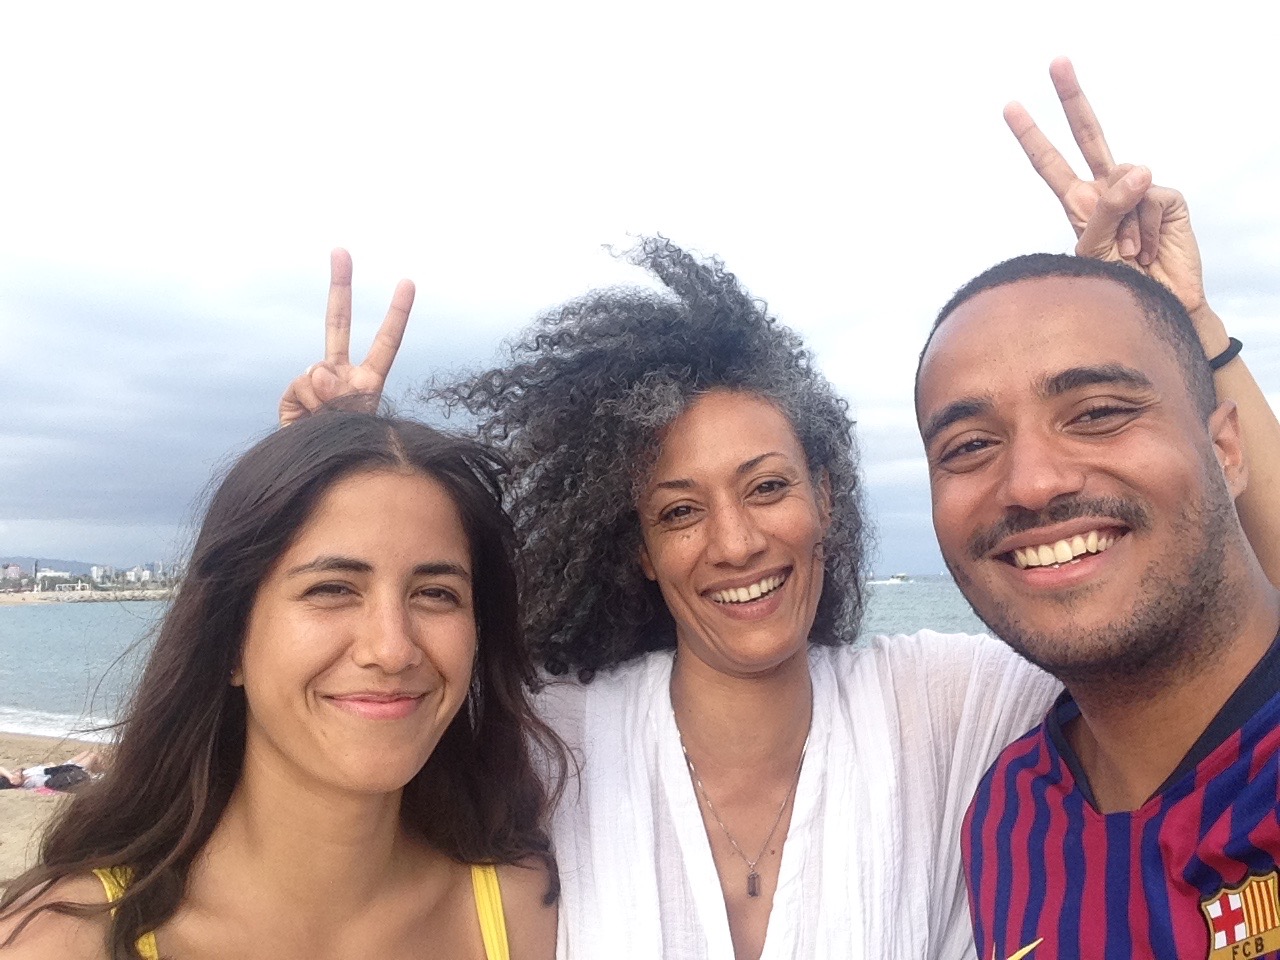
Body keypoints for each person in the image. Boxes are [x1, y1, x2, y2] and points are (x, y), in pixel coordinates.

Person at [275, 64, 1278, 960]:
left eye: (766, 487)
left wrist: (1187, 336)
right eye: (679, 511)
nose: (736, 541)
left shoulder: (949, 707)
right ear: (638, 550)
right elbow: (331, 739)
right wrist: (331, 489)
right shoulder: (557, 745)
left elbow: (1190, 609)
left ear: (825, 498)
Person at [914, 63, 1280, 960]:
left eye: (1099, 413)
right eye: (969, 445)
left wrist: (1190, 321)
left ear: (1227, 448)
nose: (1033, 483)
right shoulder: (1008, 818)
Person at [0, 411, 560, 960]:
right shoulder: (61, 942)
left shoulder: (529, 910)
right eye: (332, 589)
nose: (393, 649)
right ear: (229, 639)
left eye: (436, 593)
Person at [0, 751, 103, 792]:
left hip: (61, 767)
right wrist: (12, 778)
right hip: (67, 772)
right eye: (15, 775)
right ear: (14, 782)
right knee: (93, 756)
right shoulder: (31, 782)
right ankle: (102, 775)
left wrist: (9, 776)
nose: (16, 772)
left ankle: (98, 773)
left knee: (89, 753)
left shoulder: (26, 773)